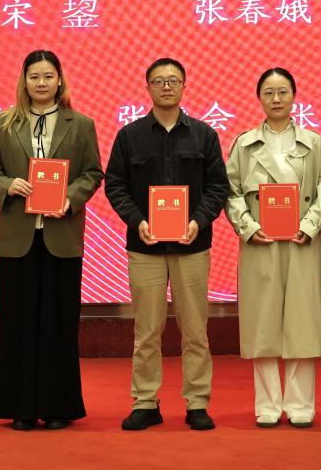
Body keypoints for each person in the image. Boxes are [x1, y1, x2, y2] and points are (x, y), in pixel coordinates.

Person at [0, 50, 104, 431]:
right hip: (18, 236)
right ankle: (20, 406)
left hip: (61, 235)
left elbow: (92, 173)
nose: (41, 83)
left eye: (48, 76)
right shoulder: (4, 123)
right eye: (34, 76)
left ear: (60, 80)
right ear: (24, 81)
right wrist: (7, 185)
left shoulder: (81, 124)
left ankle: (57, 407)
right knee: (17, 323)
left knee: (58, 322)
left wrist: (70, 199)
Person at [105, 57, 228, 431]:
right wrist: (138, 221)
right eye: (159, 81)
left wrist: (197, 221)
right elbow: (115, 186)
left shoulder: (204, 135)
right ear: (148, 88)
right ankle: (145, 402)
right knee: (147, 330)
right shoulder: (130, 136)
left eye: (173, 80)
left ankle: (197, 402)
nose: (167, 87)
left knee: (195, 330)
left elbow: (218, 187)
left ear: (185, 86)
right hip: (145, 246)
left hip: (193, 244)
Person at [224, 68, 321, 428]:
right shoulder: (244, 144)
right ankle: (268, 405)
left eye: (283, 92)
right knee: (264, 324)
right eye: (269, 92)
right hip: (262, 242)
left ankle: (301, 405)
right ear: (259, 98)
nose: (276, 99)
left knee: (303, 323)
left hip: (303, 242)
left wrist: (309, 225)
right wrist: (249, 227)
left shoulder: (313, 143)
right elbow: (231, 192)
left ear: (294, 97)